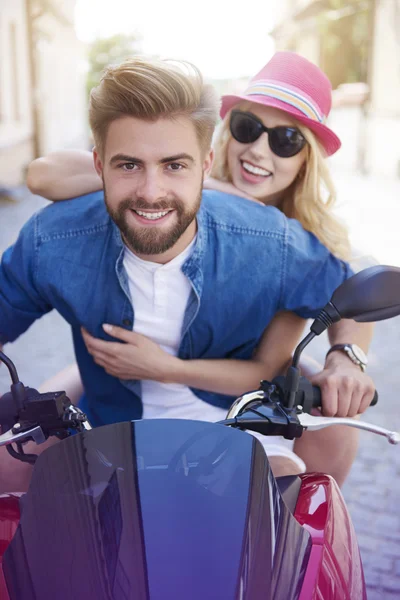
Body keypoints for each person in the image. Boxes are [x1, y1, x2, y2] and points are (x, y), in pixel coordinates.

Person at [16, 54, 373, 488]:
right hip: (123, 370)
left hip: (225, 384)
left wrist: (347, 358)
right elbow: (42, 174)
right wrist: (185, 181)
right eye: (247, 128)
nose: (259, 149)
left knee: (318, 413)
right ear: (220, 142)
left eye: (285, 140)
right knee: (34, 429)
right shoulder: (179, 181)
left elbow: (274, 362)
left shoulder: (289, 246)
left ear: (306, 159)